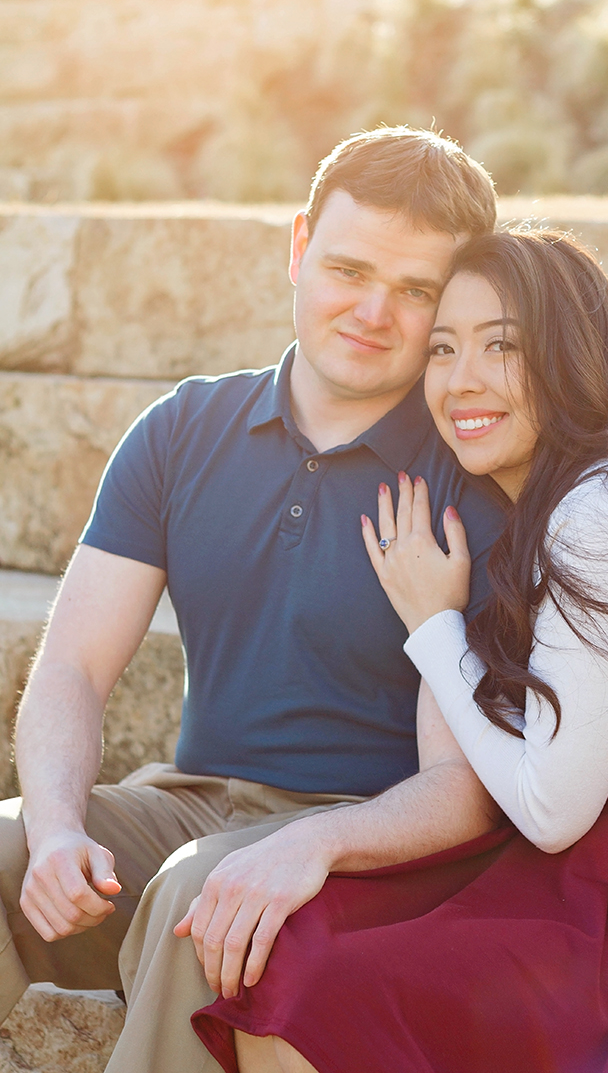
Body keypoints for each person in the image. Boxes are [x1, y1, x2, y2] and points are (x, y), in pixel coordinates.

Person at [194, 230, 608, 1073]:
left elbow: (551, 811)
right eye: (442, 349)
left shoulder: (606, 512)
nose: (461, 379)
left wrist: (433, 626)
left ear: (570, 356)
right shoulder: (553, 511)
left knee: (310, 983)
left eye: (502, 345)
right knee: (296, 947)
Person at [0, 127, 509, 1073]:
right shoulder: (182, 430)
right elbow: (70, 665)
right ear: (296, 249)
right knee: (3, 845)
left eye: (416, 291)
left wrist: (313, 844)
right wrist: (59, 827)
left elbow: (468, 792)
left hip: (371, 851)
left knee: (210, 896)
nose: (371, 311)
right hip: (195, 809)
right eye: (348, 269)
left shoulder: (472, 477)